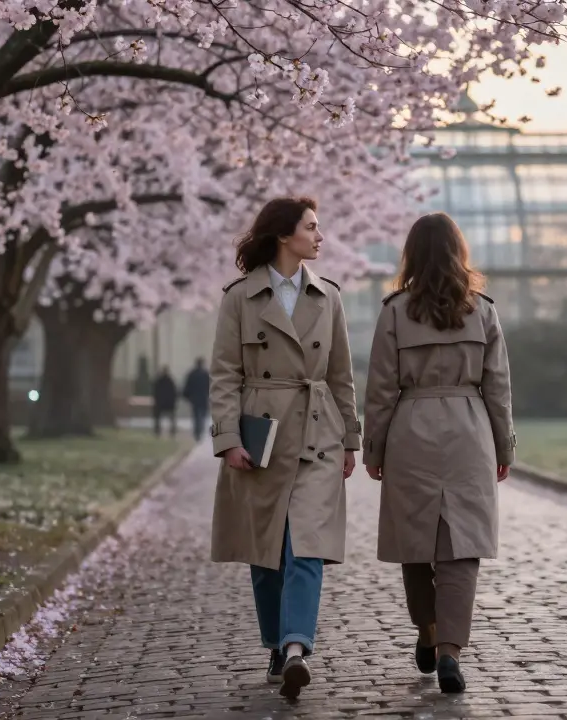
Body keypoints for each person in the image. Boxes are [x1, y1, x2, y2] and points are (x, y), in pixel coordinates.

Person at [207, 196, 361, 699]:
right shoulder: (239, 298)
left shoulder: (328, 296)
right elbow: (225, 373)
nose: (320, 237)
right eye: (312, 228)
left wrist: (351, 440)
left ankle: (297, 647)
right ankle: (276, 642)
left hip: (318, 434)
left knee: (306, 546)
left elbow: (342, 375)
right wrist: (228, 438)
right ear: (283, 236)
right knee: (265, 551)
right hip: (263, 434)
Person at [361, 212, 515, 694]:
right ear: (458, 252)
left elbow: (381, 388)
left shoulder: (394, 311)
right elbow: (499, 387)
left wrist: (374, 447)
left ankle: (427, 631)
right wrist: (503, 445)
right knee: (461, 550)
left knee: (416, 544)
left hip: (412, 431)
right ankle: (450, 650)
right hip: (470, 433)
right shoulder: (483, 310)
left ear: (411, 254)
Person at [182, 357, 210, 442]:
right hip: (203, 398)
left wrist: (187, 396)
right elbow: (209, 386)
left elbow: (187, 386)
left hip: (194, 398)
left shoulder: (192, 374)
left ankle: (197, 431)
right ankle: (200, 430)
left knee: (196, 416)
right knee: (202, 415)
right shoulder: (205, 374)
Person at [152, 367, 178, 438]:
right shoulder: (170, 381)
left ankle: (157, 430)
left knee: (158, 417)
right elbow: (174, 392)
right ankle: (172, 430)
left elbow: (155, 392)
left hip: (160, 403)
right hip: (169, 403)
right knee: (172, 417)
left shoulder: (158, 381)